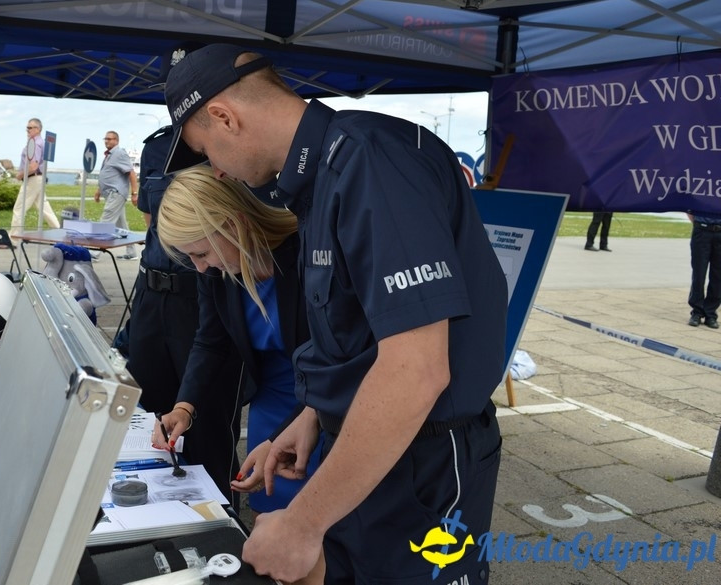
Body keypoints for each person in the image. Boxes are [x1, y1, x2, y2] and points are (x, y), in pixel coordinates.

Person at [163, 44, 507, 584]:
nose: (219, 173)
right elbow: (362, 335)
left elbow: (416, 369)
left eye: (209, 153)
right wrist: (316, 416)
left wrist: (302, 523)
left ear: (226, 117)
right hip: (374, 453)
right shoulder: (322, 174)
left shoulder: (371, 160)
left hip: (423, 465)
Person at [154, 166, 325, 585]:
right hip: (273, 395)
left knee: (319, 516)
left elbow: (333, 360)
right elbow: (211, 340)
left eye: (200, 253)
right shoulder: (215, 270)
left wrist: (294, 427)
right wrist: (184, 405)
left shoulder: (307, 256)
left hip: (323, 398)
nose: (199, 267)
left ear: (233, 225)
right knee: (271, 506)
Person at [122, 127, 244, 503]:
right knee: (150, 416)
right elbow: (152, 222)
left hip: (204, 294)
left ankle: (220, 519)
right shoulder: (157, 146)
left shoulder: (230, 146)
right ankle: (160, 512)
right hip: (153, 296)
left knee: (209, 424)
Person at [10, 117, 59, 235]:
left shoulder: (36, 143)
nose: (27, 130)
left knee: (19, 209)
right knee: (44, 208)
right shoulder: (40, 142)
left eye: (30, 128)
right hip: (38, 179)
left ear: (38, 129)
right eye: (27, 128)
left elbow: (33, 167)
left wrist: (20, 175)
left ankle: (14, 239)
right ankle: (61, 233)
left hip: (33, 179)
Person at [93, 130, 138, 258]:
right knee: (122, 225)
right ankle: (132, 253)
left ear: (116, 141)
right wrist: (99, 191)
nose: (107, 141)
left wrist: (134, 193)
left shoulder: (119, 153)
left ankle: (95, 252)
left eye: (110, 139)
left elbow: (131, 173)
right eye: (105, 139)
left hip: (116, 193)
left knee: (106, 220)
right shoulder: (109, 155)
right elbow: (107, 174)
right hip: (110, 194)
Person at [686, 211, 721, 329]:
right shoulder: (703, 191)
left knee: (718, 276)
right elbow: (690, 207)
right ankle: (697, 312)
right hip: (702, 230)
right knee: (698, 273)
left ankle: (710, 314)